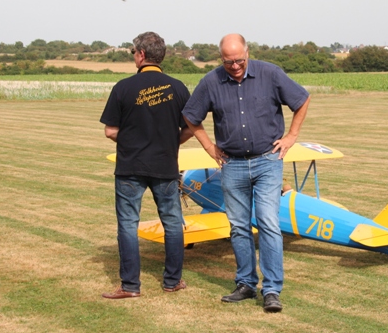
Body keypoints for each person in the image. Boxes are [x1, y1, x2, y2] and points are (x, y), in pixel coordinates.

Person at [183, 33, 310, 313]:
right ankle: (246, 284)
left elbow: (302, 99)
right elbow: (190, 116)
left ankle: (272, 290)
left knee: (268, 223)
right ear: (221, 58)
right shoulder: (210, 81)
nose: (235, 66)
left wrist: (291, 136)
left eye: (239, 60)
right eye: (228, 62)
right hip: (232, 164)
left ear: (247, 53)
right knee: (239, 226)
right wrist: (209, 147)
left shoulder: (270, 73)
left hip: (268, 161)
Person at [100, 31, 192, 299]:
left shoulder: (123, 87)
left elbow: (110, 131)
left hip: (130, 166)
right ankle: (172, 281)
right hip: (165, 165)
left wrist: (132, 140)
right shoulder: (178, 87)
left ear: (141, 55)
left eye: (133, 52)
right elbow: (191, 127)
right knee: (172, 223)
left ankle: (130, 285)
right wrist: (171, 141)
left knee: (128, 224)